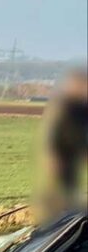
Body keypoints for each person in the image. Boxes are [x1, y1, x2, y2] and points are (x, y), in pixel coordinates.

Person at [43, 67, 88, 216]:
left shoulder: (82, 106)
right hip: (64, 152)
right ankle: (64, 219)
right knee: (65, 186)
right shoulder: (65, 106)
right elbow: (55, 133)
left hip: (77, 150)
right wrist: (53, 156)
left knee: (71, 186)